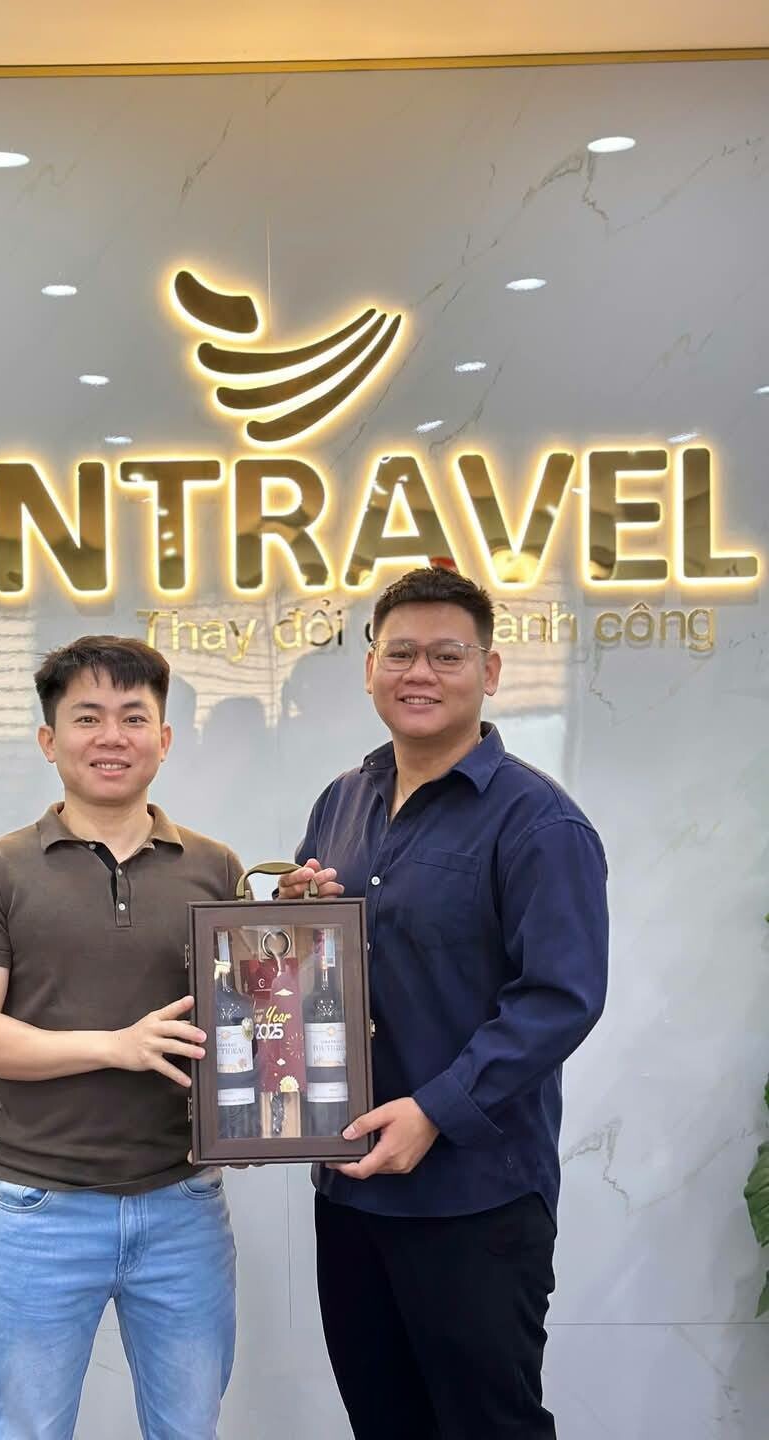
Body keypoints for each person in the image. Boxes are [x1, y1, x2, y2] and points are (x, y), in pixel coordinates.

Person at [278, 566, 608, 1439]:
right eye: (400, 654)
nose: (419, 673)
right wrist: (299, 924)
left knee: (487, 1425)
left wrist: (434, 1110)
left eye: (446, 655)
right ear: (369, 669)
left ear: (489, 671)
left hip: (475, 1197)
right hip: (351, 1188)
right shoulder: (342, 801)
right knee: (383, 1421)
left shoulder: (540, 821)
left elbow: (560, 998)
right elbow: (315, 971)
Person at [0, 636, 242, 1440]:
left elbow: (249, 1021)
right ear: (49, 740)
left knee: (189, 1430)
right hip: (44, 1208)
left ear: (164, 739)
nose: (113, 736)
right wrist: (115, 1045)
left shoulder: (217, 869)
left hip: (184, 1205)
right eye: (88, 717)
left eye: (134, 717)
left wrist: (307, 929)